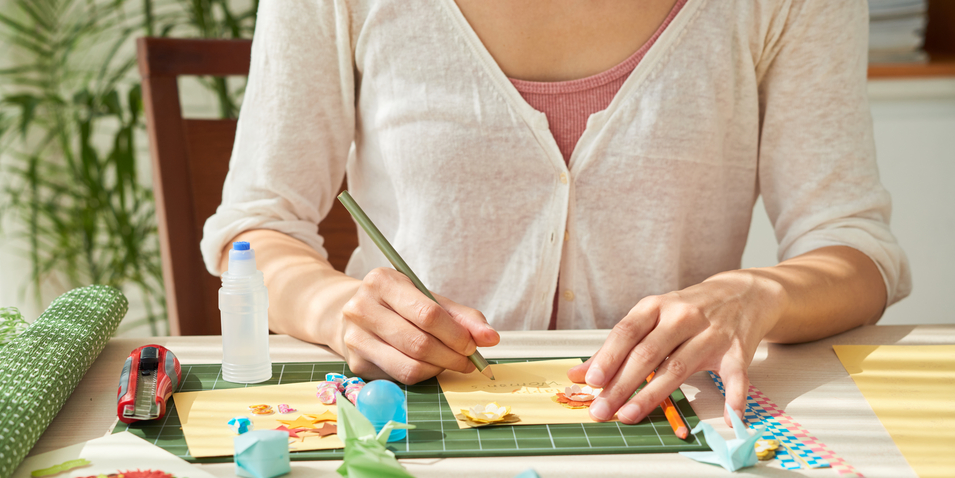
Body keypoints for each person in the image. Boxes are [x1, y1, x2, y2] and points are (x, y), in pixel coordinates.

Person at [202, 0, 910, 427]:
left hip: (672, 426)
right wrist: (336, 308)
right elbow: (257, 226)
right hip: (402, 422)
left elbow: (854, 249)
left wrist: (754, 295)